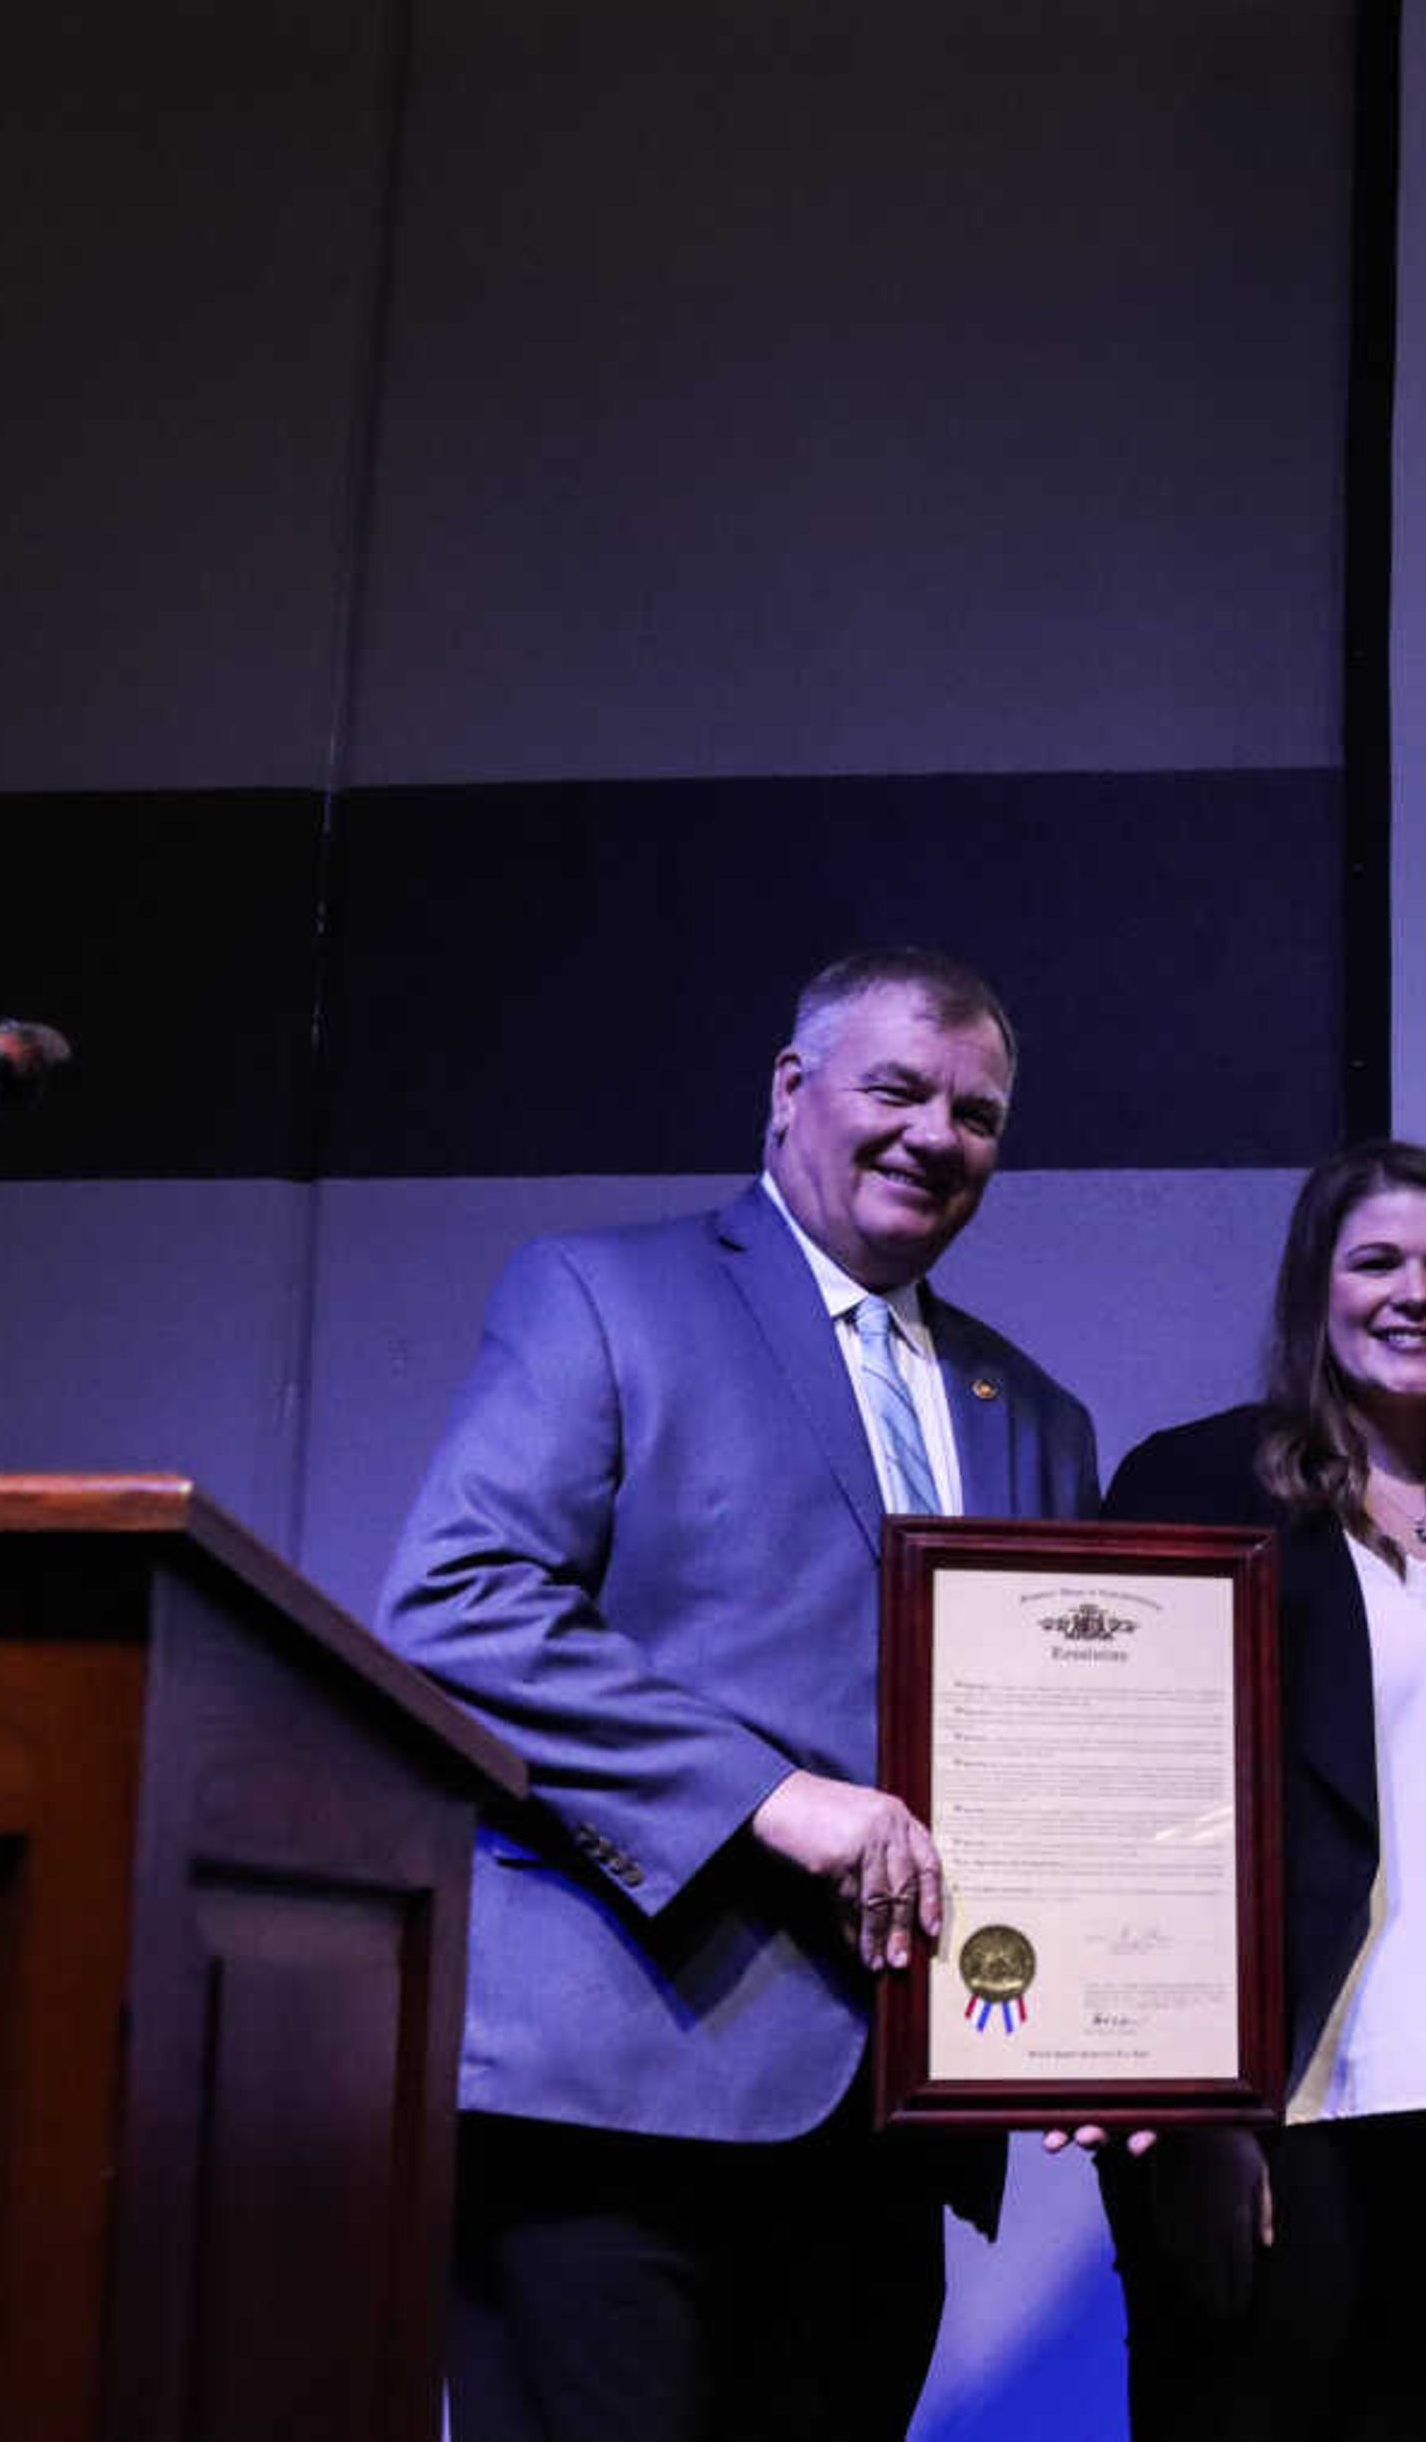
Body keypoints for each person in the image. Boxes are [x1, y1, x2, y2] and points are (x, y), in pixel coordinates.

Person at [379, 948, 1100, 2442]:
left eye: (977, 1113)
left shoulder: (1031, 1411)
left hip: (885, 2131)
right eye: (896, 1087)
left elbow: (1047, 1749)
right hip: (612, 2102)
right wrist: (777, 1799)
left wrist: (1100, 2010)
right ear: (790, 1092)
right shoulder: (601, 1291)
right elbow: (457, 1603)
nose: (935, 1134)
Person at [1088, 1139, 1426, 2442]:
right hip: (1287, 2109)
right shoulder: (1207, 1482)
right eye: (1375, 1259)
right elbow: (1126, 1802)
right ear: (1314, 1293)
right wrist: (1189, 2100)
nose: (1415, 1291)